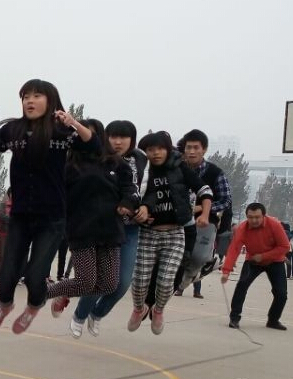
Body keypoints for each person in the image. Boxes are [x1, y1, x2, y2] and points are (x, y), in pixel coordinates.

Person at [0, 80, 95, 334]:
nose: (30, 101)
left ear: (51, 101)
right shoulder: (13, 130)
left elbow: (93, 145)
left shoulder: (62, 132)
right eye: (25, 97)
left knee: (36, 276)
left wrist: (74, 123)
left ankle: (33, 308)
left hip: (51, 219)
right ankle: (5, 306)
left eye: (36, 96)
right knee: (7, 274)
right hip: (20, 216)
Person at [46, 119, 140, 338]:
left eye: (91, 134)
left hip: (110, 230)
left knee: (109, 284)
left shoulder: (118, 164)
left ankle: (68, 291)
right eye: (79, 135)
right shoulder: (68, 166)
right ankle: (43, 294)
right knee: (85, 281)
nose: (85, 139)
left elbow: (130, 189)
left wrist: (127, 203)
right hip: (82, 230)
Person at [128, 132, 212, 335]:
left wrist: (205, 214)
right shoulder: (141, 171)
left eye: (160, 148)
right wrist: (137, 212)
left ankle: (158, 310)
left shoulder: (180, 167)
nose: (156, 153)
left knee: (166, 282)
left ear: (168, 149)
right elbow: (129, 196)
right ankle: (139, 309)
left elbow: (204, 190)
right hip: (147, 234)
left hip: (175, 234)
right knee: (139, 283)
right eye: (150, 150)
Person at [70, 120, 148, 337]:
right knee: (98, 279)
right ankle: (80, 315)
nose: (118, 141)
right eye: (113, 136)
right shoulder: (97, 157)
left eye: (123, 137)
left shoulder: (142, 160)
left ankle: (97, 313)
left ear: (132, 140)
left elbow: (148, 190)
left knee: (121, 283)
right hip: (101, 228)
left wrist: (145, 207)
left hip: (130, 229)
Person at [175, 130, 232, 295]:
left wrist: (202, 208)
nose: (192, 151)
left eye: (196, 147)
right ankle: (175, 284)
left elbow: (226, 200)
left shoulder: (215, 173)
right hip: (178, 220)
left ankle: (202, 267)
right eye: (188, 147)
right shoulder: (176, 169)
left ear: (204, 149)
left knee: (198, 257)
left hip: (204, 221)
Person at [221, 203, 289, 330]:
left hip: (275, 261)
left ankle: (273, 320)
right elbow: (234, 249)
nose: (253, 220)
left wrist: (263, 256)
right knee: (241, 286)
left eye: (257, 217)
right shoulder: (243, 228)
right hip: (253, 261)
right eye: (250, 217)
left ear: (264, 216)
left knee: (281, 294)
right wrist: (226, 270)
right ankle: (234, 318)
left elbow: (284, 246)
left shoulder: (274, 225)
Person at [0, 188, 12, 284]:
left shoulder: (20, 206)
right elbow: (2, 216)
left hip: (15, 234)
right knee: (1, 255)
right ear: (9, 194)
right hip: (3, 233)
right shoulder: (3, 204)